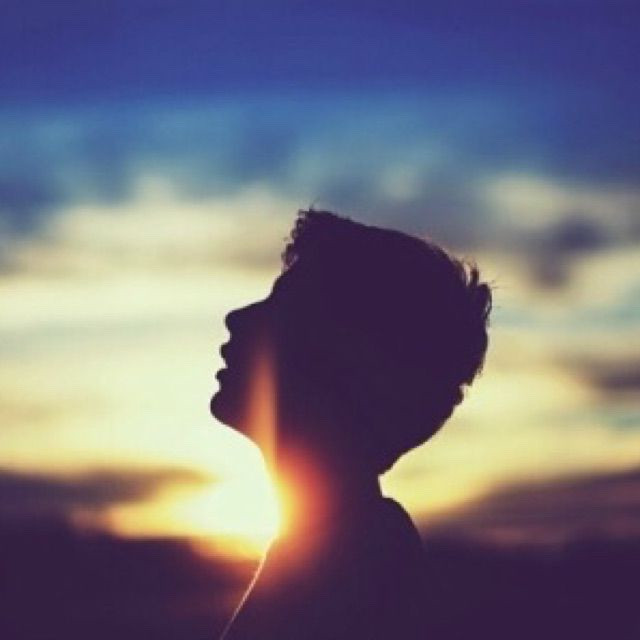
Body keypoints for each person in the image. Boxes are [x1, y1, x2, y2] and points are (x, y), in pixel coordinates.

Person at [210, 209, 491, 639]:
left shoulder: (353, 576)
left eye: (283, 306)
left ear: (349, 362)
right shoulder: (337, 550)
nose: (238, 317)